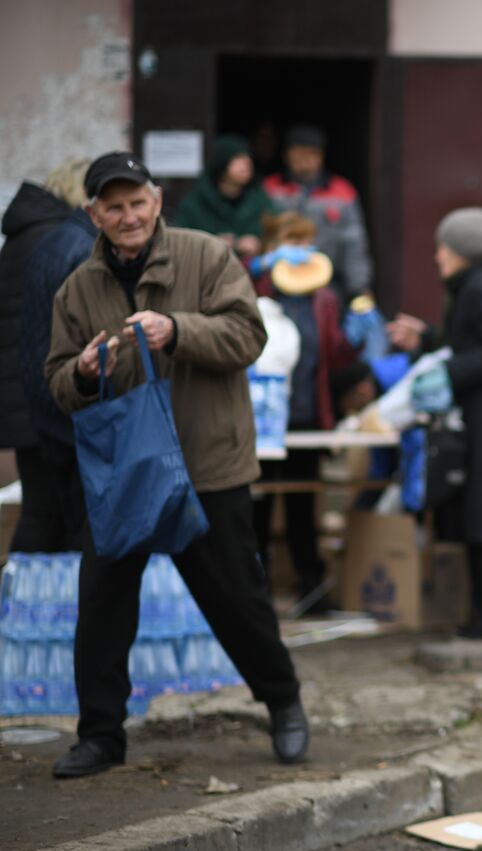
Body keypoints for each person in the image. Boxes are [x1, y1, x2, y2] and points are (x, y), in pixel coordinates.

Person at [45, 152, 307, 778]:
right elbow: (55, 381)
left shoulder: (206, 256)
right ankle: (101, 734)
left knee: (237, 599)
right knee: (103, 603)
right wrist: (80, 374)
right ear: (94, 215)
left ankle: (283, 702)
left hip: (206, 464)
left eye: (138, 202)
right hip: (126, 474)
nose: (128, 216)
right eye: (114, 206)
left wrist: (177, 329)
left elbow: (249, 336)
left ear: (157, 202)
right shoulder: (77, 288)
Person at [399, 208, 482, 638]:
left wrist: (450, 372)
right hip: (481, 423)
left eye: (443, 247)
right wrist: (426, 340)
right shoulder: (473, 287)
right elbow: (469, 342)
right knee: (481, 517)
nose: (437, 256)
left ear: (460, 251)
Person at [249, 212, 358, 609]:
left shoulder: (324, 299)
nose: (300, 251)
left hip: (307, 416)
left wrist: (358, 338)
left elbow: (334, 355)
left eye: (306, 241)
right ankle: (253, 591)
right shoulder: (256, 290)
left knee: (301, 507)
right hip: (261, 421)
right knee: (257, 506)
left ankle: (311, 589)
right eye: (290, 242)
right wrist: (255, 269)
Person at [1, 160, 86, 552]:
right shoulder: (57, 240)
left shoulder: (27, 234)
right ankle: (20, 605)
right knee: (46, 512)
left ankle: (24, 602)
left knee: (44, 509)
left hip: (21, 395)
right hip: (40, 397)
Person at [263, 124, 374, 301]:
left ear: (321, 156)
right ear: (286, 155)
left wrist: (359, 288)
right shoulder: (270, 189)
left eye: (311, 153)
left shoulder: (341, 191)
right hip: (277, 283)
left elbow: (354, 243)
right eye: (298, 152)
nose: (304, 159)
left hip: (327, 285)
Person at [173, 134, 274, 260]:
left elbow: (278, 232)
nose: (247, 162)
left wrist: (259, 244)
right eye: (238, 158)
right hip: (208, 272)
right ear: (221, 164)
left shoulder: (260, 199)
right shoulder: (195, 204)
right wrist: (212, 244)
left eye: (247, 157)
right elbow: (180, 245)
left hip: (253, 272)